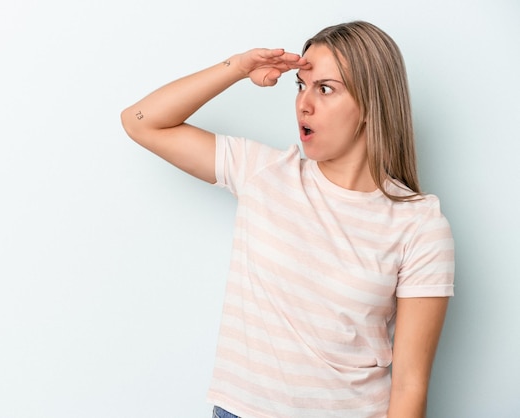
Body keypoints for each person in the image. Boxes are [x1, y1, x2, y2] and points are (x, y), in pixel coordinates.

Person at [120, 20, 454, 418]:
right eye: (301, 85)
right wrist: (239, 67)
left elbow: (410, 386)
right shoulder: (264, 172)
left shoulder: (419, 224)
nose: (304, 104)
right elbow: (141, 121)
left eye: (325, 88)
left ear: (371, 105)